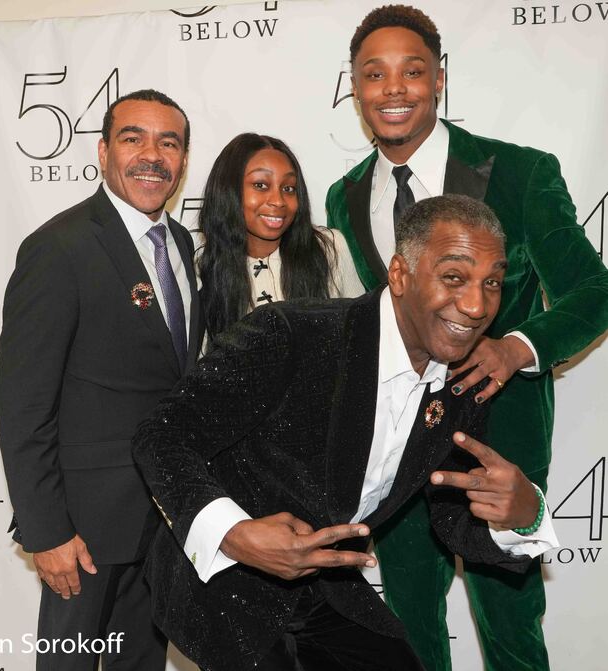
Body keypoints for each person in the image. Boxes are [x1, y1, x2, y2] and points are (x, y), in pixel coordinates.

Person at [133, 195, 558, 671]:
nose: (477, 305)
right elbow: (163, 435)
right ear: (399, 275)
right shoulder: (292, 333)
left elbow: (454, 517)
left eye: (492, 282)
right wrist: (233, 533)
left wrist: (523, 516)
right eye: (454, 277)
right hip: (224, 581)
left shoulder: (461, 385)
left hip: (330, 587)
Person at [325, 6, 608, 670]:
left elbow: (594, 291)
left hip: (495, 444)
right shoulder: (344, 196)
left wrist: (516, 346)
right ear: (356, 89)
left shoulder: (519, 172)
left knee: (512, 639)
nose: (393, 89)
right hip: (395, 456)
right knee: (410, 638)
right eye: (374, 74)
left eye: (412, 71)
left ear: (440, 79)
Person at [0, 89, 202, 671]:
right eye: (133, 137)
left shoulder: (182, 246)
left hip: (159, 522)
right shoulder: (58, 248)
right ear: (103, 150)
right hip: (81, 534)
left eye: (169, 142)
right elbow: (22, 404)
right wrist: (46, 531)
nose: (152, 155)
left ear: (184, 161)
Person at [197, 132, 363, 346]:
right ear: (228, 190)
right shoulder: (203, 267)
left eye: (288, 188)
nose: (278, 201)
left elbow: (361, 336)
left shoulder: (329, 248)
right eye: (260, 185)